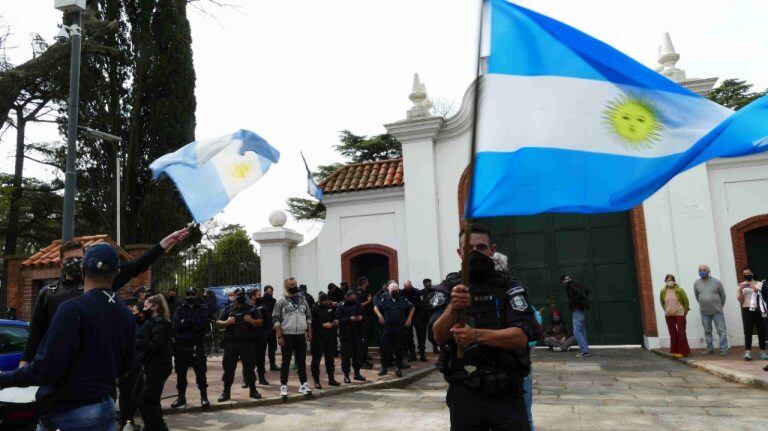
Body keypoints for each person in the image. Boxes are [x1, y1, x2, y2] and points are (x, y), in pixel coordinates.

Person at [0, 243, 136, 430]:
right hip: (105, 407)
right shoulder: (125, 313)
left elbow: (46, 368)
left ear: (83, 268)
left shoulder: (73, 308)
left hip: (68, 412)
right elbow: (125, 368)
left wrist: (6, 379)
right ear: (117, 271)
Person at [20, 228, 189, 367]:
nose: (75, 262)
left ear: (85, 261)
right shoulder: (48, 292)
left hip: (91, 366)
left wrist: (164, 244)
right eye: (70, 259)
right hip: (56, 364)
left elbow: (137, 266)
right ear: (61, 263)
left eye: (79, 259)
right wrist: (25, 361)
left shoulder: (98, 283)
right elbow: (36, 332)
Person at [432, 224, 536, 431]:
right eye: (468, 249)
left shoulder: (509, 287)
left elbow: (521, 336)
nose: (475, 253)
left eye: (481, 247)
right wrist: (454, 306)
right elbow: (438, 336)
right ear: (459, 252)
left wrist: (475, 335)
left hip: (505, 392)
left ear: (492, 249)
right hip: (464, 391)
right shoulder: (448, 288)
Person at [216, 289, 263, 402]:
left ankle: (253, 390)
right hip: (231, 343)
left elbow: (260, 322)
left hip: (247, 343)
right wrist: (226, 322)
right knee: (228, 369)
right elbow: (218, 323)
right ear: (235, 296)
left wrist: (251, 320)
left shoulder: (251, 308)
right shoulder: (228, 308)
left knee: (249, 368)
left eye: (242, 295)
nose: (240, 296)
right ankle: (226, 392)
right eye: (238, 295)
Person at [138, 294, 174, 431]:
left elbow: (155, 346)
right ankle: (151, 427)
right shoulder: (152, 321)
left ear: (155, 306)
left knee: (145, 400)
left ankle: (159, 427)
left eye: (147, 305)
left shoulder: (162, 323)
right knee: (151, 400)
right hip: (152, 365)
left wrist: (138, 344)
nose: (144, 308)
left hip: (158, 366)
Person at [170, 287, 210, 409]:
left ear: (196, 295)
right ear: (185, 295)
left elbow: (203, 324)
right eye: (188, 294)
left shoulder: (203, 309)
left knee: (201, 373)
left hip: (196, 345)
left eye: (193, 294)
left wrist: (185, 322)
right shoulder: (180, 309)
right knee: (180, 374)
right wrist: (193, 323)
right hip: (181, 346)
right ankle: (181, 398)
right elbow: (176, 326)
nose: (190, 296)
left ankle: (204, 397)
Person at [273, 277, 313, 397]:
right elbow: (275, 319)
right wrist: (279, 336)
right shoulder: (281, 301)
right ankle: (284, 386)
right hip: (287, 336)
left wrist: (309, 331)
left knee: (301, 361)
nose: (295, 286)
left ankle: (303, 385)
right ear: (286, 287)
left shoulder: (303, 300)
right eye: (292, 285)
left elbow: (309, 317)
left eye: (295, 284)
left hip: (300, 335)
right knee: (286, 361)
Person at [119, 299, 149, 431]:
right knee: (126, 395)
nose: (133, 310)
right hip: (127, 364)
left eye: (135, 308)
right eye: (131, 308)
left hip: (138, 363)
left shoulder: (146, 324)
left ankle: (129, 421)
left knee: (135, 395)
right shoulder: (127, 322)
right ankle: (125, 422)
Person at [375, 282, 415, 377]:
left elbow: (412, 307)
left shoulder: (402, 300)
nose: (394, 292)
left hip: (400, 328)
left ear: (398, 290)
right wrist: (379, 315)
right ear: (389, 291)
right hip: (387, 328)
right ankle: (384, 368)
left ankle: (398, 368)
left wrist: (409, 318)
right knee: (384, 349)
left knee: (399, 349)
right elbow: (376, 307)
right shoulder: (384, 299)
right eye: (393, 290)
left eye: (396, 290)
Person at [694, 264, 729, 356]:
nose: (702, 272)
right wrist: (704, 302)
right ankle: (709, 348)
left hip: (717, 311)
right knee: (707, 331)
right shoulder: (696, 283)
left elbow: (723, 295)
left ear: (708, 271)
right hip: (704, 312)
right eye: (700, 270)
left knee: (721, 330)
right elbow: (697, 296)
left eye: (704, 270)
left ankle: (724, 349)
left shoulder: (716, 282)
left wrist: (720, 306)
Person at [311, 292, 340, 389]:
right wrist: (322, 325)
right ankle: (316, 381)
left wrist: (335, 320)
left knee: (330, 359)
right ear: (321, 301)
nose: (328, 302)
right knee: (316, 360)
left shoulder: (330, 307)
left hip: (330, 337)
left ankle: (331, 379)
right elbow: (311, 323)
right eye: (326, 301)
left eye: (329, 301)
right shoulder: (314, 308)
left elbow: (334, 316)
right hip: (318, 337)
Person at [336, 289, 367, 384]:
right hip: (345, 334)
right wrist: (349, 319)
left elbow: (363, 314)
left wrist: (361, 317)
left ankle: (357, 373)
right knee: (345, 356)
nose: (354, 299)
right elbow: (338, 320)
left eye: (354, 298)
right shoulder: (341, 306)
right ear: (346, 297)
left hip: (356, 333)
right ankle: (346, 375)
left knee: (357, 354)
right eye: (352, 298)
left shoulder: (357, 304)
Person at [738, 266, 767, 361]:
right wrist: (740, 290)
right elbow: (740, 300)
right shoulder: (741, 284)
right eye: (745, 274)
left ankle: (762, 351)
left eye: (748, 273)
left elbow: (764, 296)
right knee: (748, 331)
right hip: (747, 309)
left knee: (761, 330)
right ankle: (748, 351)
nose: (746, 275)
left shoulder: (760, 284)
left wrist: (756, 290)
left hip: (758, 309)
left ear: (752, 273)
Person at [660, 274, 691, 359]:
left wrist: (685, 312)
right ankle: (675, 351)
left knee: (681, 332)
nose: (670, 282)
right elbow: (662, 303)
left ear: (674, 281)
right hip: (669, 314)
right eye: (668, 280)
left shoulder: (679, 290)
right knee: (672, 333)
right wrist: (667, 310)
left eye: (671, 280)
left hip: (679, 313)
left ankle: (683, 352)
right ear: (665, 281)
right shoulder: (663, 291)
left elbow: (686, 301)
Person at [562, 275, 591, 358]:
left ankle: (584, 351)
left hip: (577, 311)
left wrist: (576, 302)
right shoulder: (576, 284)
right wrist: (582, 302)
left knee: (576, 331)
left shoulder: (570, 286)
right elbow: (587, 290)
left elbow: (579, 294)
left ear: (564, 281)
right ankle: (585, 350)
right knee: (582, 331)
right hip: (581, 310)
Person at [249, 288, 271, 386]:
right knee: (248, 360)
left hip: (261, 337)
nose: (260, 296)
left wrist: (266, 333)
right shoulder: (246, 307)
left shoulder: (263, 306)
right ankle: (247, 379)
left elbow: (268, 321)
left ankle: (262, 378)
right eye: (258, 295)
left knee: (260, 358)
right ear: (252, 296)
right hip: (248, 338)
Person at [401, 280, 426, 362]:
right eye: (405, 287)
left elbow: (422, 304)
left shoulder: (417, 292)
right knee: (408, 336)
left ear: (411, 285)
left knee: (420, 335)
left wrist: (412, 306)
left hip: (418, 316)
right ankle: (412, 354)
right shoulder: (402, 293)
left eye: (408, 287)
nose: (407, 289)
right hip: (407, 316)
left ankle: (422, 354)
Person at [356, 277, 374, 366]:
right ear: (364, 283)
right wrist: (368, 301)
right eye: (367, 282)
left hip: (366, 317)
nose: (369, 283)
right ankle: (361, 361)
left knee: (365, 339)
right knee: (363, 340)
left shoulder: (364, 291)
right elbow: (359, 305)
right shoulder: (359, 292)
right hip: (362, 319)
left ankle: (364, 358)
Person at [262, 285, 280, 371]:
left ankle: (273, 365)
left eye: (271, 292)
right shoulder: (260, 301)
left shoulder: (274, 301)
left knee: (272, 348)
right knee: (262, 348)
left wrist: (274, 324)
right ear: (264, 291)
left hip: (272, 328)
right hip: (263, 328)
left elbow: (276, 314)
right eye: (268, 292)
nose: (270, 293)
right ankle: (261, 366)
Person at [421, 278, 441, 354]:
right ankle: (422, 350)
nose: (429, 285)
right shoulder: (421, 293)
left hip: (433, 315)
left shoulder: (434, 291)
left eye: (430, 283)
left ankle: (435, 347)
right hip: (423, 316)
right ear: (424, 284)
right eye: (427, 283)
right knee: (423, 334)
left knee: (432, 333)